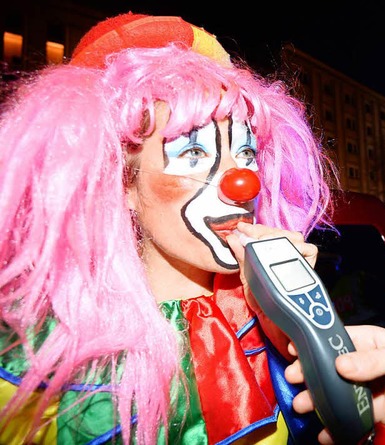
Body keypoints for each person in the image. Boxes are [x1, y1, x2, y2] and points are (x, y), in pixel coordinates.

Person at [0, 12, 339, 444]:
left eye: (247, 152)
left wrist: (297, 336)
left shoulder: (262, 317)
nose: (242, 181)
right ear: (122, 182)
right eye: (193, 152)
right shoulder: (47, 355)